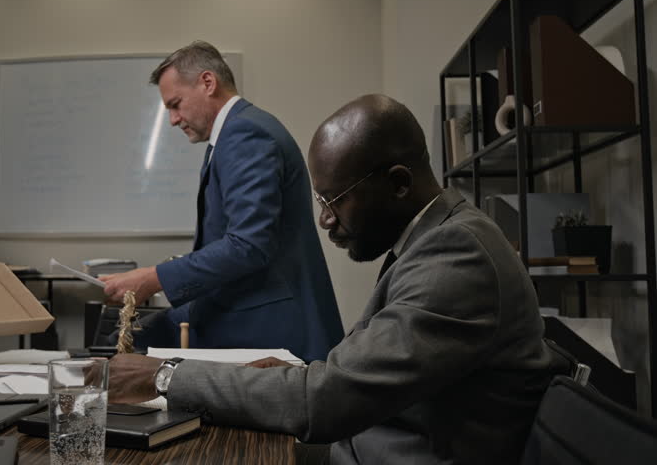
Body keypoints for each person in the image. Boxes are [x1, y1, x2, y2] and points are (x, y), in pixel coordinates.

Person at [107, 94, 568, 464]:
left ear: (399, 183)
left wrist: (165, 377)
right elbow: (362, 371)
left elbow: (325, 404)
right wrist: (303, 373)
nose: (325, 220)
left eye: (334, 200)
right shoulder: (437, 238)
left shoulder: (456, 255)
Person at [100, 41, 343, 362]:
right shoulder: (237, 133)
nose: (173, 119)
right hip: (260, 324)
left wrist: (153, 278)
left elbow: (248, 245)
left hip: (272, 333)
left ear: (207, 82)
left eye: (176, 104)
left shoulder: (244, 133)